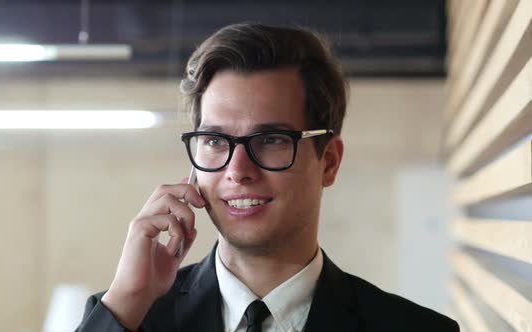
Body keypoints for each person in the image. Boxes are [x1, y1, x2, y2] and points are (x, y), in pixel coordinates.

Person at [76, 23, 459, 332]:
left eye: (271, 139)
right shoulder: (128, 316)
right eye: (215, 140)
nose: (237, 170)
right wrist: (129, 299)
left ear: (328, 162)